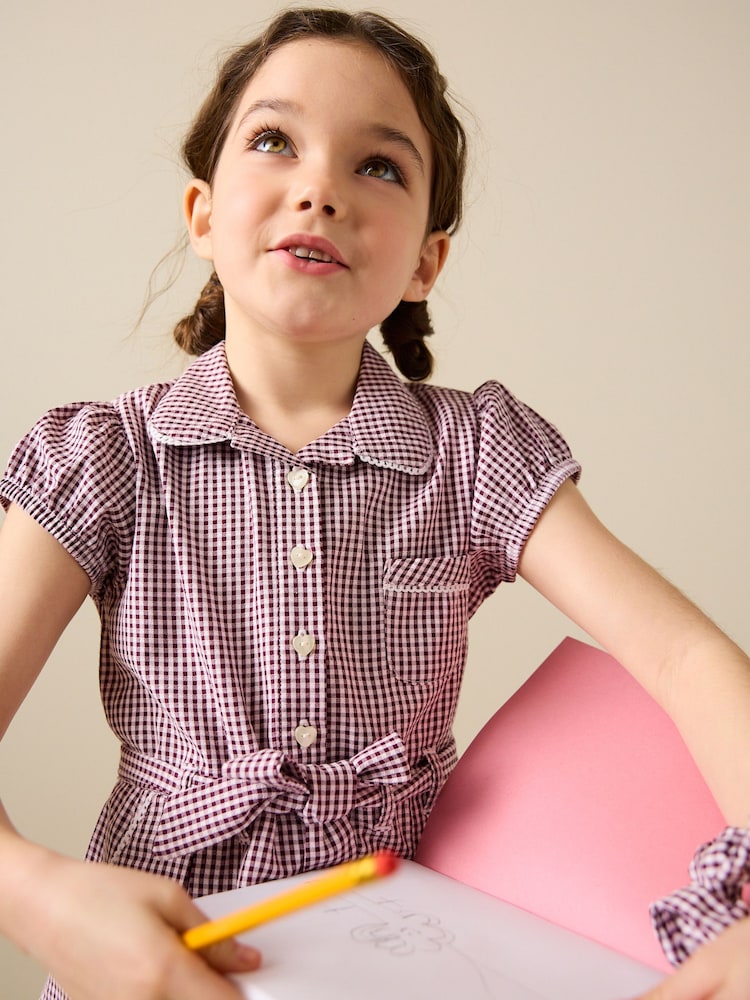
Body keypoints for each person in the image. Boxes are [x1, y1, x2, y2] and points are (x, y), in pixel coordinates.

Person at [0, 8, 748, 1000]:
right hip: (155, 971)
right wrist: (36, 892)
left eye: (380, 167)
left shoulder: (475, 453)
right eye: (274, 141)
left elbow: (684, 655)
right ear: (202, 214)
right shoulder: (106, 459)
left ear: (426, 262)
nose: (319, 187)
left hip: (407, 962)